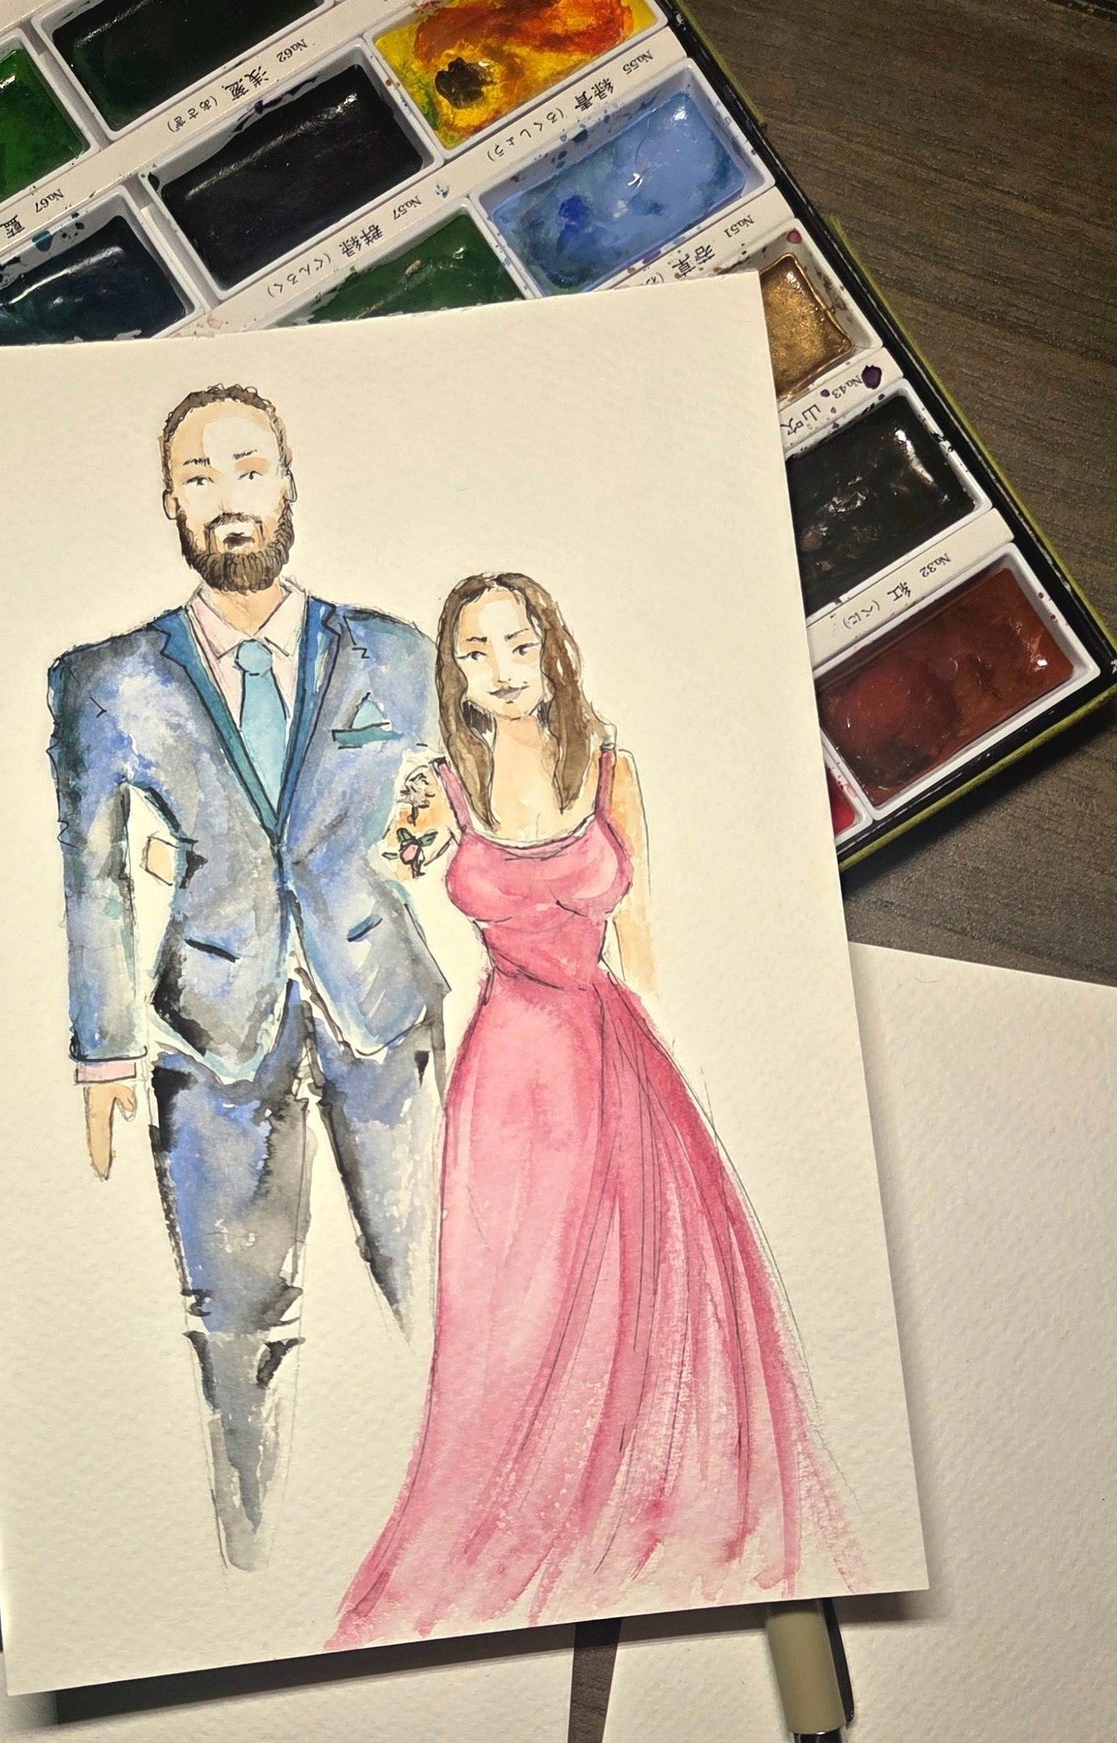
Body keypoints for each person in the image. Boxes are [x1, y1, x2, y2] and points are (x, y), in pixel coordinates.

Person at [330, 572, 856, 1644]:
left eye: (517, 643)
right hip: (509, 1075)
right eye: (475, 651)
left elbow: (642, 934)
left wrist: (677, 1060)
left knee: (646, 1286)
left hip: (610, 1051)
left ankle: (637, 1506)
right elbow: (382, 871)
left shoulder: (611, 769)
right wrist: (400, 824)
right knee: (515, 1303)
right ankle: (513, 1514)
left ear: (550, 650)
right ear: (453, 672)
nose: (500, 668)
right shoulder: (444, 785)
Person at [46, 385, 446, 1571]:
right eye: (200, 477)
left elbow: (452, 797)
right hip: (210, 1030)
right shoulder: (106, 679)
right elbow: (92, 874)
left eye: (249, 468)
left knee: (435, 1280)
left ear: (289, 483)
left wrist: (435, 827)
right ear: (168, 504)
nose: (229, 498)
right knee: (235, 1323)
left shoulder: (396, 652)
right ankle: (248, 1554)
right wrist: (103, 1054)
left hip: (383, 1006)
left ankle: (466, 1524)